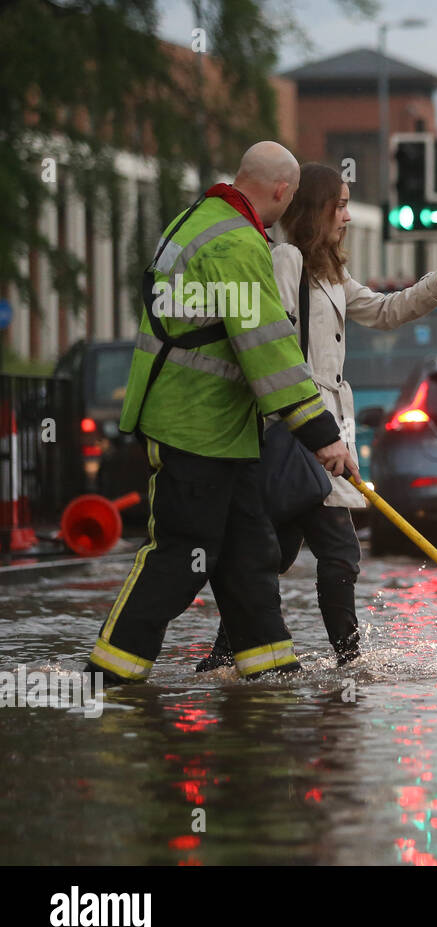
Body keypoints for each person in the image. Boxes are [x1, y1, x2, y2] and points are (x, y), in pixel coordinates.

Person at [85, 142, 358, 685]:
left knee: (247, 553)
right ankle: (108, 674)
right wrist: (324, 435)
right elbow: (269, 352)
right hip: (195, 427)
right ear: (282, 191)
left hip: (221, 431)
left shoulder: (195, 220)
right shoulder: (236, 244)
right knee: (181, 554)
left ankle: (270, 672)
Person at [196, 161, 437, 671]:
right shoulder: (285, 261)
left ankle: (225, 659)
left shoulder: (330, 272)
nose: (348, 217)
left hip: (323, 436)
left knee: (272, 557)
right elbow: (264, 347)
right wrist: (305, 422)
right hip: (299, 435)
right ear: (315, 209)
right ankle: (349, 662)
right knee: (339, 552)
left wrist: (433, 287)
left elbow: (382, 311)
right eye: (340, 205)